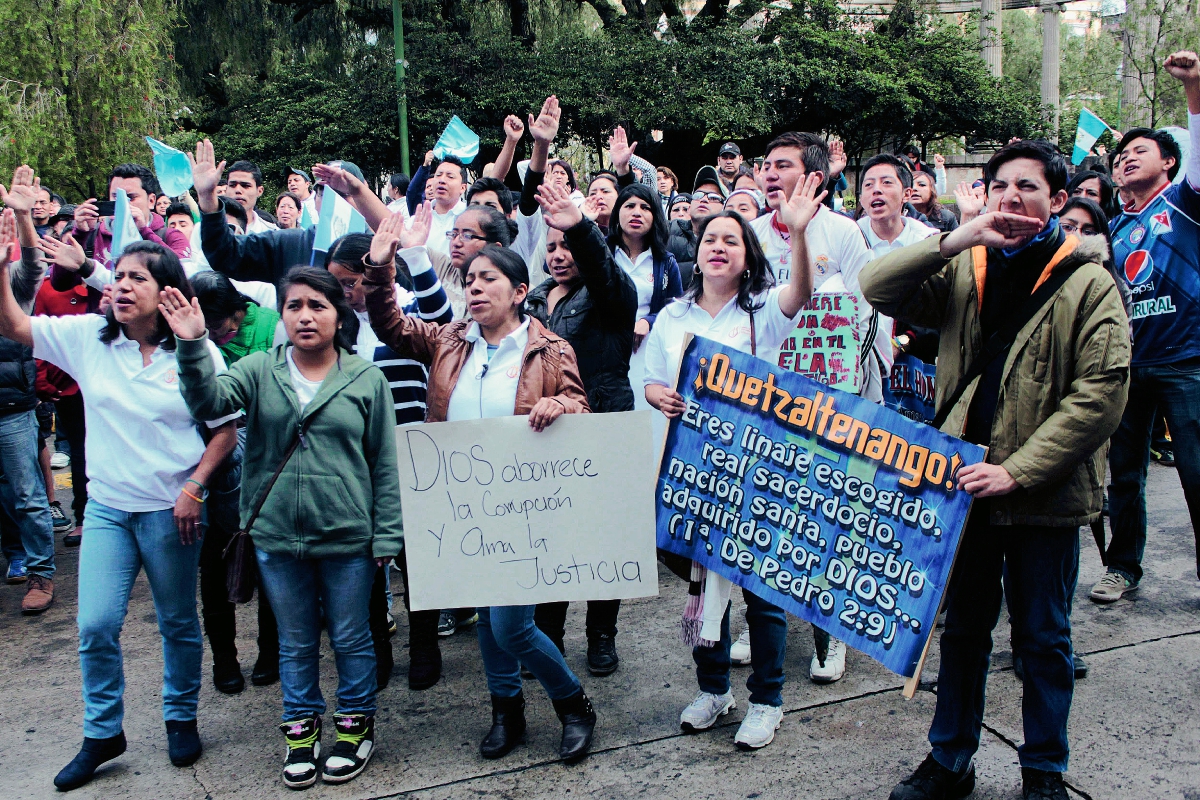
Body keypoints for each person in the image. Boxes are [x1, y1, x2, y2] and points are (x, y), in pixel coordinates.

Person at [860, 138, 1130, 800]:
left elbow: (1100, 395)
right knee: (963, 633)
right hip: (962, 490)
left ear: (1058, 200)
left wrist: (1018, 470)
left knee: (1043, 639)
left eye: (1028, 187)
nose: (1012, 197)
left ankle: (1044, 770)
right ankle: (950, 758)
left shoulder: (1089, 280)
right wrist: (955, 240)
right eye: (1001, 186)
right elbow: (877, 286)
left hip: (1042, 495)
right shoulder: (966, 267)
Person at [0, 237, 240, 790]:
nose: (122, 286)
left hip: (172, 513)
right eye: (120, 276)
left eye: (138, 278)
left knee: (179, 623)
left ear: (167, 293)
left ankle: (181, 717)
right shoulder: (89, 338)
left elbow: (226, 431)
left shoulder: (196, 353)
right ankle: (102, 731)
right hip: (108, 510)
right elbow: (15, 326)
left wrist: (196, 488)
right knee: (95, 625)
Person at [163, 265, 404, 789]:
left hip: (348, 537)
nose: (305, 316)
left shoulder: (366, 378)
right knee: (294, 642)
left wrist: (388, 535)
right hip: (275, 538)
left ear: (339, 314)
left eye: (318, 305)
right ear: (283, 315)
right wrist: (192, 346)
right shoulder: (256, 369)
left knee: (350, 636)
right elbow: (208, 404)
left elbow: (385, 463)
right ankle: (300, 733)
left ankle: (354, 726)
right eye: (294, 305)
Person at [361, 235, 599, 765]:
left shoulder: (551, 348)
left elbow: (583, 409)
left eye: (486, 278)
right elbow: (391, 325)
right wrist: (380, 267)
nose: (474, 288)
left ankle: (573, 704)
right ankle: (505, 710)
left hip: (524, 508)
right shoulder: (449, 341)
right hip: (462, 507)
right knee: (492, 622)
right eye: (468, 280)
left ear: (519, 291)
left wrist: (559, 402)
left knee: (512, 624)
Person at [643, 173, 825, 751]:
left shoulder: (762, 312)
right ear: (695, 253)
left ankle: (767, 700)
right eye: (709, 239)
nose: (718, 246)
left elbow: (801, 295)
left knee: (761, 592)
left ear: (747, 257)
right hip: (692, 476)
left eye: (732, 240)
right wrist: (660, 396)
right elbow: (649, 378)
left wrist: (796, 234)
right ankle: (714, 690)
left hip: (754, 475)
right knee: (701, 585)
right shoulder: (673, 318)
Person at [322, 213, 456, 690]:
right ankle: (377, 647)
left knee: (419, 557)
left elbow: (446, 326)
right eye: (336, 284)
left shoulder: (403, 308)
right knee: (364, 560)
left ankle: (424, 644)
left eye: (352, 282)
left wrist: (414, 254)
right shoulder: (329, 325)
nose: (345, 293)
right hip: (352, 464)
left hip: (412, 454)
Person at [524, 179, 649, 678]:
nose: (559, 254)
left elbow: (601, 269)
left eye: (567, 245)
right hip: (545, 433)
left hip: (603, 425)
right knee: (549, 537)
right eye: (551, 246)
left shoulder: (612, 295)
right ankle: (546, 636)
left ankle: (601, 634)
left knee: (604, 539)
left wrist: (579, 228)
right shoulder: (531, 301)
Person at [1096, 50, 1200, 605]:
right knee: (1126, 477)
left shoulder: (1186, 204)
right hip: (1129, 369)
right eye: (1121, 155)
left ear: (1169, 162)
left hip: (1187, 363)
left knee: (1196, 475)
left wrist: (1194, 89)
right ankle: (1122, 568)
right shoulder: (1112, 228)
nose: (1125, 159)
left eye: (1140, 151)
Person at [187, 270, 284, 694]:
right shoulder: (189, 340)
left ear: (239, 312)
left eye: (220, 326)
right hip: (206, 457)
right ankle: (224, 658)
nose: (216, 335)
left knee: (268, 562)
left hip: (265, 454)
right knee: (214, 564)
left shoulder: (271, 326)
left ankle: (271, 650)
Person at [189, 139, 392, 286]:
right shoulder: (288, 244)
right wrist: (207, 198)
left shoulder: (382, 254)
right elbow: (226, 254)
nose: (337, 203)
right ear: (315, 199)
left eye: (346, 193)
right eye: (328, 193)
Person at [0, 173, 57, 613]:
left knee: (26, 494)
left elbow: (36, 266)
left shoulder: (12, 274)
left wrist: (23, 215)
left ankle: (41, 573)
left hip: (11, 408)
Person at [70, 163, 190, 266]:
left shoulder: (172, 236)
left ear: (151, 200)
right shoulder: (94, 235)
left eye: (130, 197)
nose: (122, 204)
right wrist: (80, 233)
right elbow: (60, 283)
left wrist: (144, 231)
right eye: (115, 197)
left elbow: (182, 276)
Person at [224, 161, 278, 234]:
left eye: (245, 185)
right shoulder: (208, 231)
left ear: (259, 191)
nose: (238, 190)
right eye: (232, 185)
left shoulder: (272, 234)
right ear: (226, 189)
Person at [908, 169, 959, 233]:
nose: (914, 188)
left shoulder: (946, 217)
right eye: (910, 185)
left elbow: (960, 241)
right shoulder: (896, 219)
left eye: (921, 185)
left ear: (931, 190)